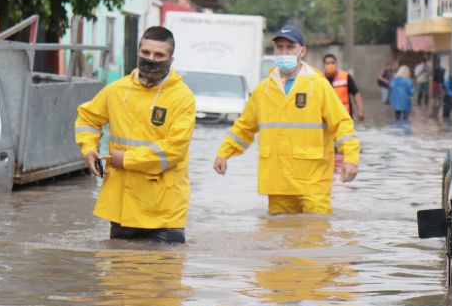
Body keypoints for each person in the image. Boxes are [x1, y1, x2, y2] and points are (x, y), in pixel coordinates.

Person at [213, 25, 360, 215]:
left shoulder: (318, 86)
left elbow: (342, 123)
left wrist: (351, 159)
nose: (284, 52)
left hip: (312, 181)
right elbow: (243, 128)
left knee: (315, 236)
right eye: (280, 47)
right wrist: (224, 153)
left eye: (290, 47)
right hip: (277, 182)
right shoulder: (263, 90)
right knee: (279, 236)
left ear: (302, 51)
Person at [74, 26, 196, 244]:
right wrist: (89, 149)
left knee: (163, 274)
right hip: (122, 206)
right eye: (146, 53)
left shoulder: (182, 98)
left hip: (163, 212)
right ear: (138, 52)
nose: (151, 59)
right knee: (119, 274)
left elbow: (174, 151)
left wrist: (127, 160)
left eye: (159, 55)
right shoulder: (117, 90)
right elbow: (88, 118)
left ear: (171, 58)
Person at [322, 53, 364, 121]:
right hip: (327, 118)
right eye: (328, 63)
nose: (330, 65)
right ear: (323, 65)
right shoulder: (320, 79)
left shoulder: (345, 77)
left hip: (345, 116)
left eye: (333, 62)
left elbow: (356, 93)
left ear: (336, 64)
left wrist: (361, 110)